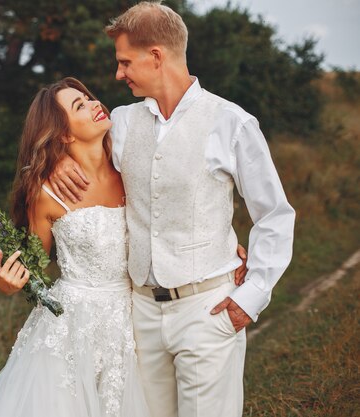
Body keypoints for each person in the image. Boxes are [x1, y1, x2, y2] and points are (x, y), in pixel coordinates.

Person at [48, 2, 296, 417]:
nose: (118, 74)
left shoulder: (231, 123)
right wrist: (58, 159)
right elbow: (77, 148)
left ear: (157, 56)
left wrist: (250, 298)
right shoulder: (123, 123)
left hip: (208, 309)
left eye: (125, 62)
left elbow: (274, 215)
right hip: (139, 314)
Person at [0, 77, 151, 417]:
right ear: (65, 134)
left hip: (132, 319)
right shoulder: (47, 193)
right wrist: (8, 283)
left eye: (89, 98)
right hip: (71, 326)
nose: (95, 104)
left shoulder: (132, 172)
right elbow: (32, 266)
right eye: (79, 106)